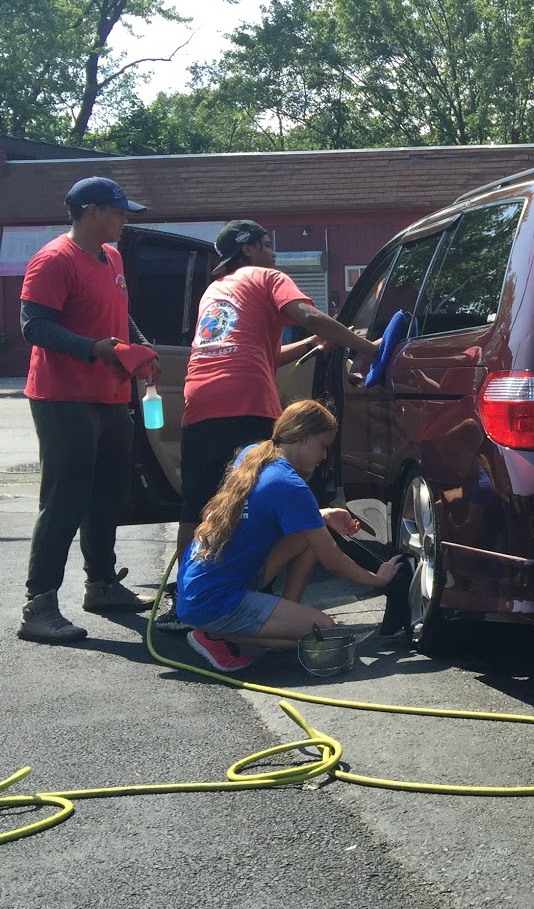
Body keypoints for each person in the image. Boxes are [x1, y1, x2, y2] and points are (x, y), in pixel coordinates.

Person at [156, 219, 376, 633]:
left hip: (199, 400)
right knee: (257, 499)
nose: (274, 253)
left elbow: (266, 356)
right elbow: (308, 314)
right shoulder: (267, 276)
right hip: (246, 402)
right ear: (252, 248)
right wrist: (367, 346)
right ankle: (254, 602)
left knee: (200, 504)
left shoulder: (216, 291)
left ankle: (184, 604)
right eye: (268, 245)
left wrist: (312, 344)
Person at [17, 177, 162, 644]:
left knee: (109, 491)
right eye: (119, 212)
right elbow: (33, 326)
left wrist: (139, 346)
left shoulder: (112, 256)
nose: (124, 220)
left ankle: (100, 584)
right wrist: (96, 349)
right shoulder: (54, 259)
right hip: (63, 397)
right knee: (66, 497)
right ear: (91, 211)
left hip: (109, 395)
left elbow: (120, 314)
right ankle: (38, 605)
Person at [175, 400, 400, 672]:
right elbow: (334, 561)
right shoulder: (290, 486)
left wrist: (324, 514)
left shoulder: (252, 454)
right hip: (216, 602)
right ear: (303, 438)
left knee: (309, 534)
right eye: (323, 446)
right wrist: (378, 579)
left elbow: (265, 509)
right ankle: (214, 635)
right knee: (324, 631)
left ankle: (282, 617)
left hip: (198, 588)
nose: (325, 456)